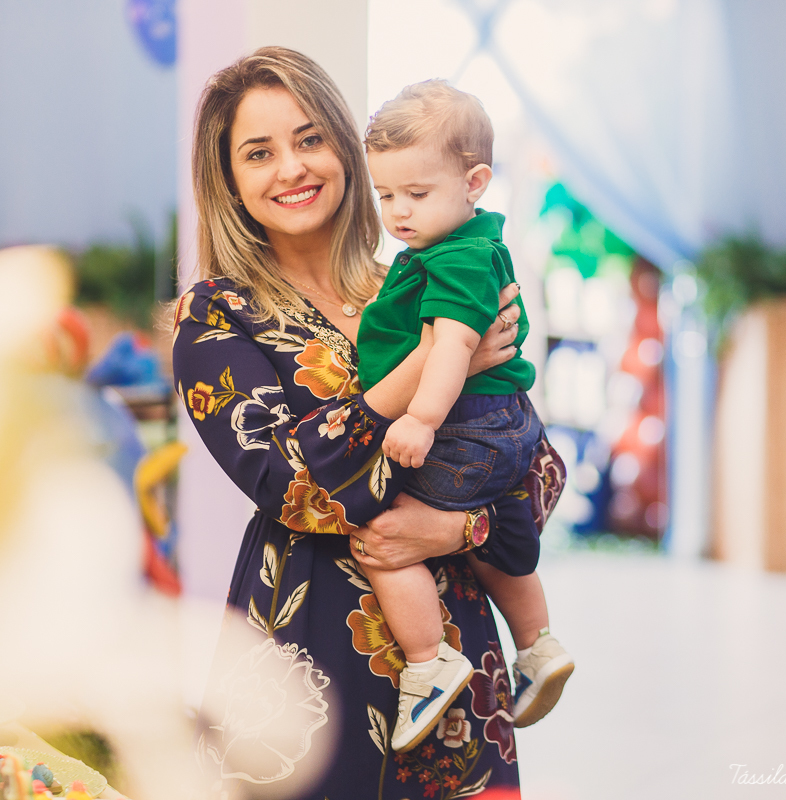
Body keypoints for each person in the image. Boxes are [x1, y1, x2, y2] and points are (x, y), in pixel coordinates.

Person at [173, 47, 564, 800]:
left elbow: (534, 466)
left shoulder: (415, 281)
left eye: (310, 138)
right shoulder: (217, 314)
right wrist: (436, 361)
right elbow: (294, 490)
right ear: (229, 180)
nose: (292, 167)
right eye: (259, 152)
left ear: (346, 152)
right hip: (308, 671)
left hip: (457, 673)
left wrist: (458, 531)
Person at [355, 80, 574, 754]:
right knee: (496, 540)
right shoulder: (467, 246)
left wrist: (420, 419)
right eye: (386, 195)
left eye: (416, 195)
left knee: (384, 540)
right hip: (504, 424)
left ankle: (428, 663)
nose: (398, 213)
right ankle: (537, 644)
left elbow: (452, 345)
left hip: (461, 424)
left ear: (474, 180)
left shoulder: (455, 257)